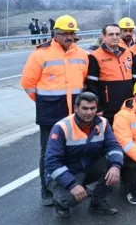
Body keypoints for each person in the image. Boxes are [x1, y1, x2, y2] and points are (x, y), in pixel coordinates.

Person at [21, 15, 89, 207]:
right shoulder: (40, 54)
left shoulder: (82, 55)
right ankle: (47, 190)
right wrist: (44, 102)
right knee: (48, 154)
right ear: (55, 34)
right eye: (64, 33)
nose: (68, 37)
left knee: (75, 150)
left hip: (75, 113)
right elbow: (28, 83)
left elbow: (82, 81)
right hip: (50, 112)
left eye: (72, 33)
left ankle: (73, 185)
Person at [44, 92, 121, 218]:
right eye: (85, 108)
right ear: (76, 108)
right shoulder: (62, 127)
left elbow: (113, 146)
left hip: (85, 167)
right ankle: (60, 202)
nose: (89, 112)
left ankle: (97, 203)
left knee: (114, 163)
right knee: (70, 199)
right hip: (64, 173)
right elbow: (52, 162)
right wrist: (72, 185)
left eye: (92, 108)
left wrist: (116, 166)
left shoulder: (103, 123)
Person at [86, 23, 134, 123]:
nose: (114, 37)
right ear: (103, 36)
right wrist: (98, 107)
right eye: (111, 34)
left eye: (117, 34)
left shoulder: (128, 53)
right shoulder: (95, 56)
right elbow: (92, 85)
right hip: (109, 108)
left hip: (129, 106)